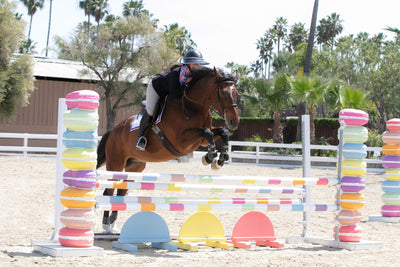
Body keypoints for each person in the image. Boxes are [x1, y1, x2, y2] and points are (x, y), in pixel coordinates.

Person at [136, 49, 209, 151]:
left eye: (199, 63)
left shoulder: (195, 74)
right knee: (151, 111)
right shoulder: (176, 73)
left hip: (169, 91)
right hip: (156, 88)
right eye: (195, 63)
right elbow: (175, 94)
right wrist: (187, 84)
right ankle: (141, 137)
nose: (198, 66)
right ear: (188, 64)